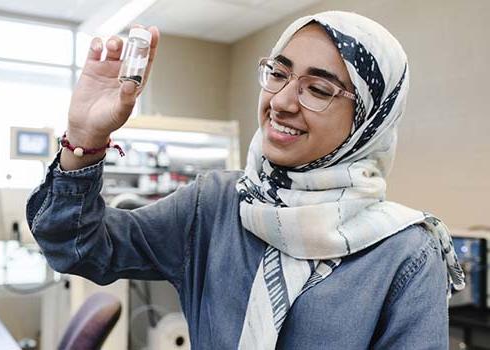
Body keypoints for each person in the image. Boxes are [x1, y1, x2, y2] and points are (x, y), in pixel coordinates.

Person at [26, 11, 465, 349]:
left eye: (318, 89)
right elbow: (77, 247)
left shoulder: (405, 253)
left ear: (369, 120)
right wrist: (86, 138)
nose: (282, 101)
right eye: (278, 72)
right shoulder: (215, 205)